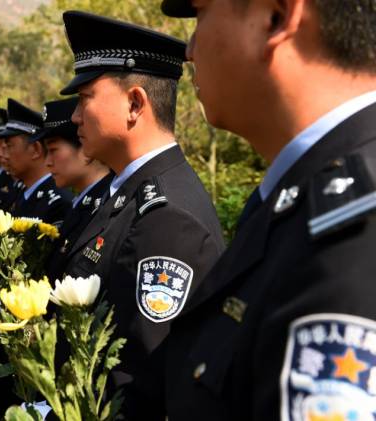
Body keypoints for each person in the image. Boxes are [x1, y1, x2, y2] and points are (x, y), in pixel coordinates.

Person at [158, 0, 376, 420]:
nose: (189, 47)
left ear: (276, 17)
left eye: (200, 13)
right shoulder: (304, 199)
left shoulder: (353, 237)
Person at [59, 11, 225, 418]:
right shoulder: (125, 193)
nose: (76, 117)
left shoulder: (166, 215)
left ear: (135, 103)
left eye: (84, 100)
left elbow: (143, 385)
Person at [33, 96, 113, 283]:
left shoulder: (108, 204)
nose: (47, 162)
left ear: (85, 148)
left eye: (53, 150)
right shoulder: (83, 202)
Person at [0, 98, 73, 225]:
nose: (2, 154)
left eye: (9, 146)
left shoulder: (57, 202)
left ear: (35, 149)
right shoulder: (21, 192)